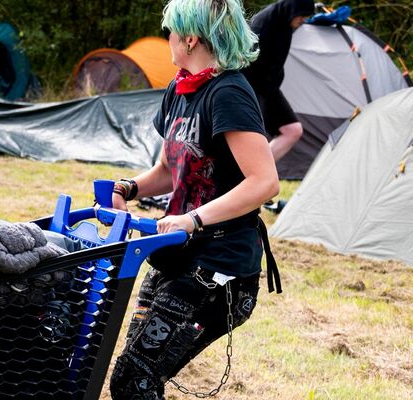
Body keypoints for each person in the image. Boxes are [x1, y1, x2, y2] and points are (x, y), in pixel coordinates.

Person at [107, 0, 280, 399]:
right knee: (132, 377)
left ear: (190, 38)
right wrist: (127, 188)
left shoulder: (229, 92)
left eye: (171, 30)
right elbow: (170, 169)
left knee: (133, 381)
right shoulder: (179, 88)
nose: (165, 37)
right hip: (176, 254)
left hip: (220, 269)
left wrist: (194, 219)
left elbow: (265, 182)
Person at [242, 0, 314, 161]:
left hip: (269, 88)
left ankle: (259, 170)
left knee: (292, 130)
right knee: (253, 138)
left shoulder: (285, 21)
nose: (304, 20)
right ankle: (248, 175)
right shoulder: (261, 25)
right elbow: (243, 62)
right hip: (250, 88)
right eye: (302, 16)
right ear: (293, 9)